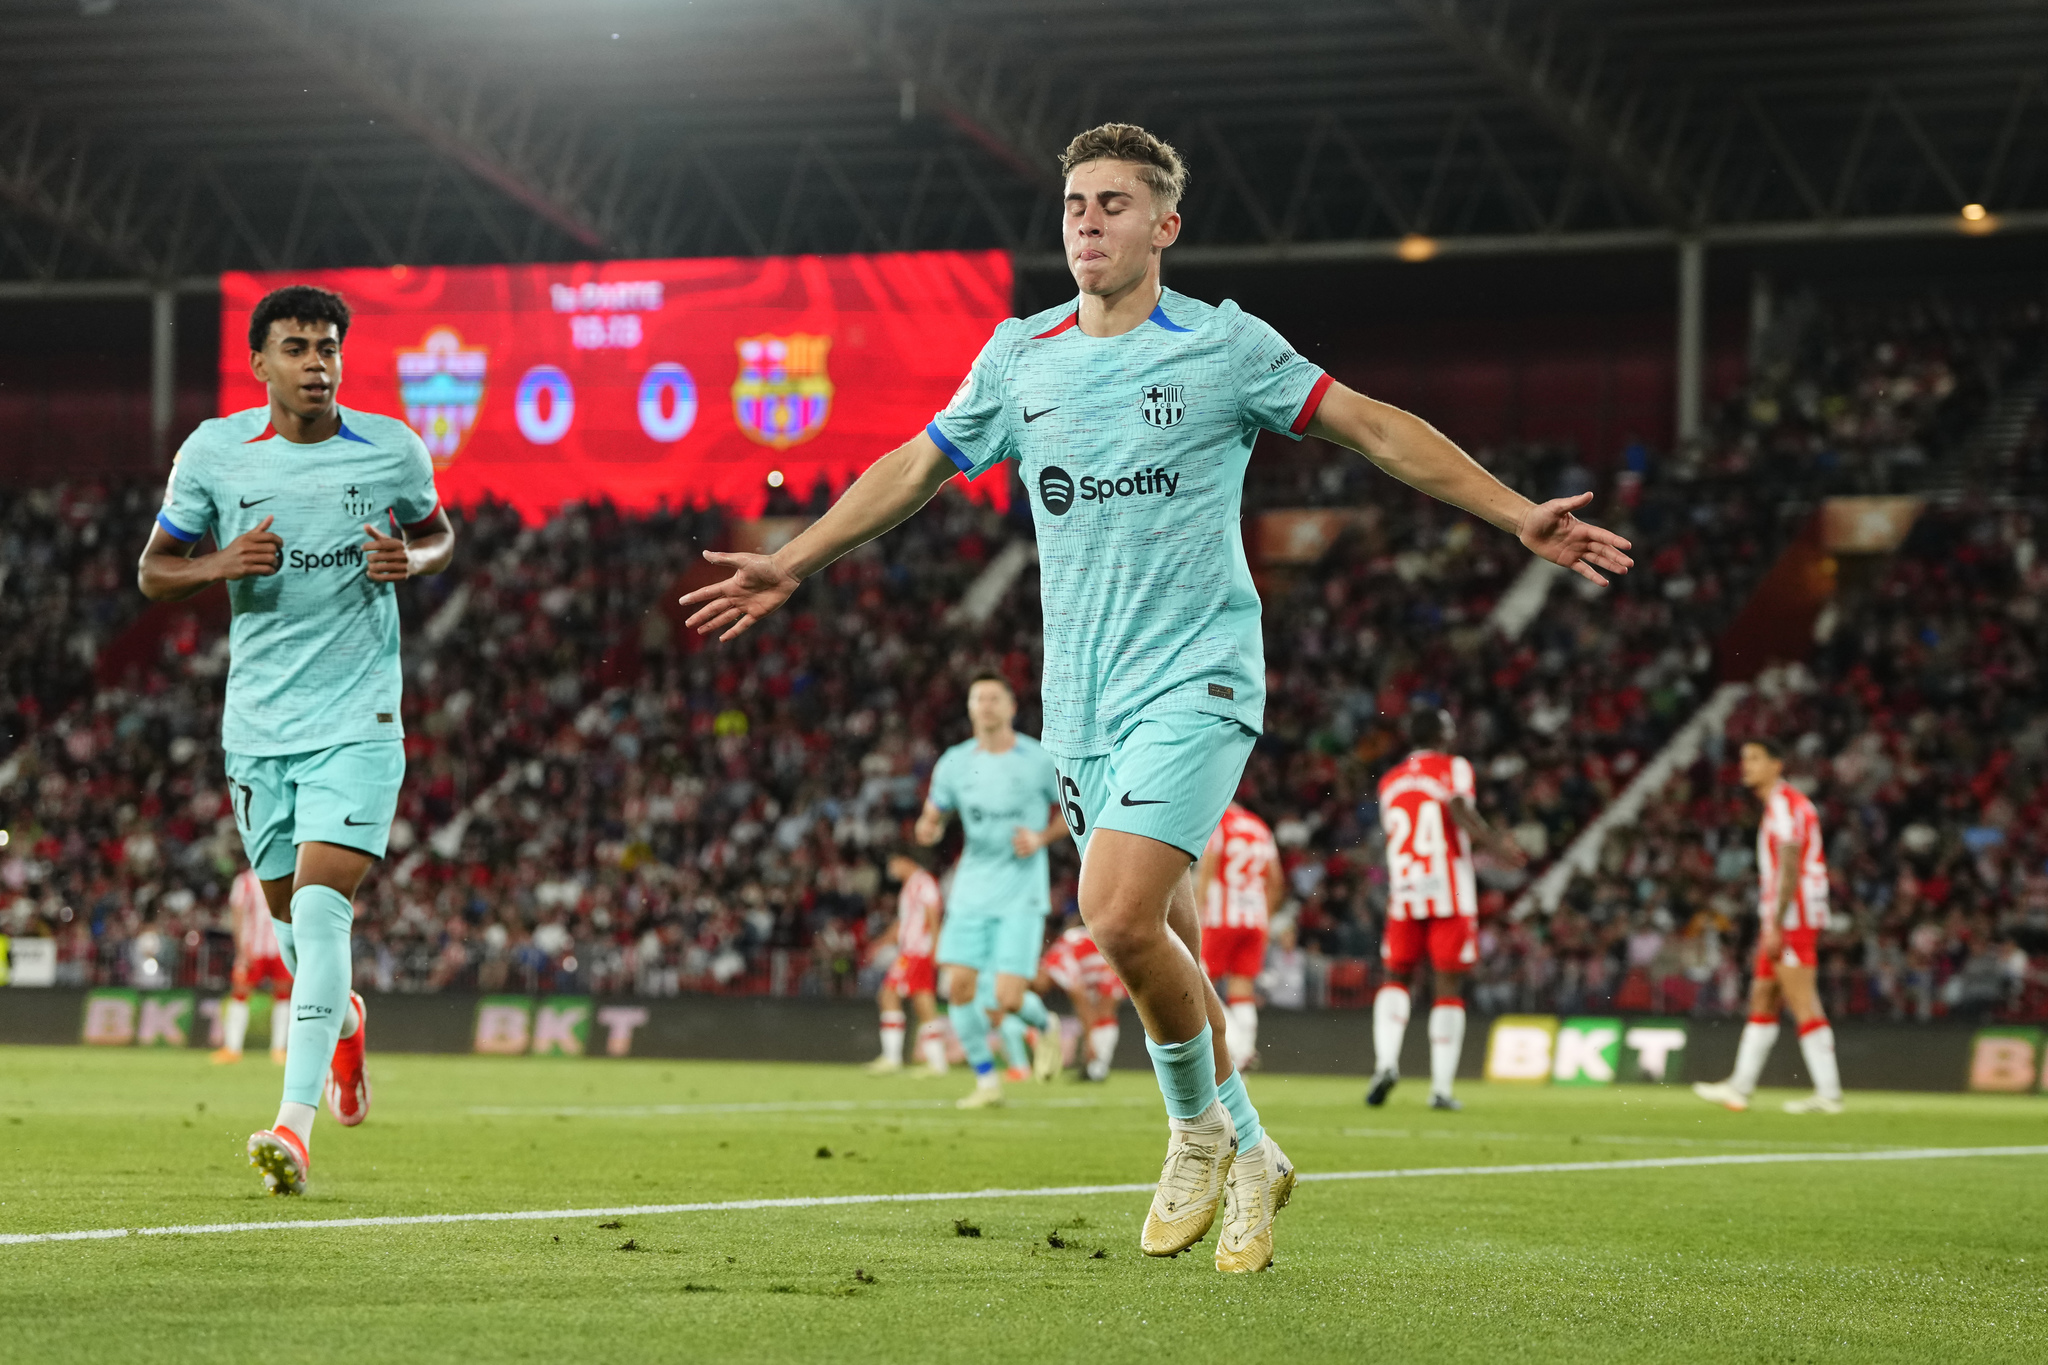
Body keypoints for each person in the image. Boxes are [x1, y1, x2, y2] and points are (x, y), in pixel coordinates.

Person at [680, 122, 1632, 1272]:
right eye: (1075, 202)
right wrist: (796, 555)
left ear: (1163, 227)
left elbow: (1373, 427)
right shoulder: (1017, 355)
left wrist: (1513, 511)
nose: (1087, 220)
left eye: (1114, 203)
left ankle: (1191, 1133)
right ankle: (1256, 1152)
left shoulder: (1224, 348)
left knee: (1117, 917)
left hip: (1198, 679)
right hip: (1077, 705)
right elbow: (916, 464)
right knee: (1158, 948)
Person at [138, 284, 455, 1195]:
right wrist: (220, 563)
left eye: (329, 347)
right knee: (287, 932)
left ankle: (293, 1124)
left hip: (358, 721)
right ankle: (344, 1022)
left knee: (320, 915)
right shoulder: (215, 453)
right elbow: (155, 571)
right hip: (258, 727)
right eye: (298, 348)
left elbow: (438, 537)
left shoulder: (392, 447)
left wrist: (414, 559)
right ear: (259, 361)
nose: (318, 363)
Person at [913, 674, 1070, 1107]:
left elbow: (1075, 813)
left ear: (1011, 707)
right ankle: (986, 1082)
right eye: (978, 698)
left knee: (1008, 998)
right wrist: (928, 827)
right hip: (971, 887)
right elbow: (932, 816)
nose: (986, 704)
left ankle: (1046, 1024)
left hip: (1022, 889)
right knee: (959, 988)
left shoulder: (1039, 759)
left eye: (994, 697)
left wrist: (1041, 838)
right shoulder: (954, 762)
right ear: (969, 708)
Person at [1368, 709, 1527, 1111]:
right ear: (1441, 734)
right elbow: (1458, 809)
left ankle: (1385, 1063)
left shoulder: (1389, 781)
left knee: (1395, 977)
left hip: (1406, 889)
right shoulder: (1454, 768)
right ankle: (1440, 1089)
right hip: (1449, 893)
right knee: (1448, 986)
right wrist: (1496, 846)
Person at [1694, 738, 1844, 1114]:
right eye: (1744, 758)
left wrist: (1776, 923)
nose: (1746, 766)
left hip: (1792, 916)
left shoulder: (1783, 804)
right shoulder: (1784, 804)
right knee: (1763, 995)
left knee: (1801, 999)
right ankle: (1740, 1087)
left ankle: (1829, 1094)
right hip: (1784, 915)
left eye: (1755, 759)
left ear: (1777, 765)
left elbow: (1790, 863)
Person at [1195, 801, 1282, 1071]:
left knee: (1199, 984)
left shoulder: (1219, 823)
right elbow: (1276, 880)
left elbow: (1209, 865)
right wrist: (1264, 916)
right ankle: (1242, 1065)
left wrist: (1198, 912)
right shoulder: (1260, 828)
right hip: (1255, 919)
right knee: (1242, 991)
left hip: (1221, 918)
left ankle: (1241, 1050)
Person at [866, 852, 950, 1075]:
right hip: (911, 951)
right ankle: (936, 1061)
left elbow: (933, 914)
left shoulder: (924, 882)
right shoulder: (911, 885)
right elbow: (905, 922)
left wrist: (935, 947)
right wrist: (883, 941)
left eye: (893, 863)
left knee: (891, 995)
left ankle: (894, 1058)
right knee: (922, 1003)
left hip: (917, 952)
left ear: (906, 860)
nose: (891, 869)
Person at [211, 866, 293, 1065]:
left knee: (283, 996)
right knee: (240, 994)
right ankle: (232, 1048)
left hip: (278, 948)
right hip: (252, 949)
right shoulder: (244, 881)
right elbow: (237, 915)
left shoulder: (286, 877)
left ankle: (279, 1049)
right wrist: (241, 950)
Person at [1043, 918, 1128, 1082]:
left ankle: (1097, 1067)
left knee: (1104, 1013)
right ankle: (1094, 1066)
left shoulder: (1057, 966)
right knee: (1098, 1015)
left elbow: (1083, 1004)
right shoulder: (1058, 954)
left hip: (1111, 957)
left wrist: (1089, 1042)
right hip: (1102, 956)